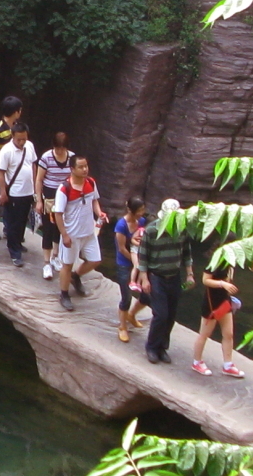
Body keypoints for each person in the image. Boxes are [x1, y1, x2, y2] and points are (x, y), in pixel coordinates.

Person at [137, 198, 195, 365]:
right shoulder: (152, 230)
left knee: (171, 315)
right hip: (157, 276)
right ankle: (151, 347)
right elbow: (143, 255)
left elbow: (186, 253)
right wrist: (144, 278)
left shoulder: (182, 229)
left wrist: (189, 274)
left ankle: (163, 347)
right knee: (160, 314)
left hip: (174, 276)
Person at [55, 153, 105, 309]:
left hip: (89, 231)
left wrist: (99, 213)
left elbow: (94, 200)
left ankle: (75, 277)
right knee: (67, 264)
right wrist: (64, 235)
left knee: (95, 260)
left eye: (86, 166)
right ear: (72, 169)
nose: (85, 169)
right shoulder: (64, 189)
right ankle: (64, 294)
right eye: (81, 167)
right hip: (72, 233)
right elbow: (58, 213)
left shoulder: (91, 182)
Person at [0, 120, 38, 269]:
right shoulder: (6, 151)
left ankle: (18, 242)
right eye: (19, 139)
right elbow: (1, 173)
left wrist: (35, 188)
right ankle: (14, 252)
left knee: (23, 220)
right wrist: (3, 192)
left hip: (28, 191)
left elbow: (33, 165)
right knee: (13, 223)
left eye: (24, 139)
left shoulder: (29, 146)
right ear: (12, 136)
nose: (22, 142)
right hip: (14, 193)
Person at [32, 132, 75, 280]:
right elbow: (39, 180)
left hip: (65, 198)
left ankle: (55, 256)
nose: (60, 152)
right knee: (48, 229)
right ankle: (46, 263)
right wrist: (39, 200)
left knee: (60, 228)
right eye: (57, 149)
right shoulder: (46, 158)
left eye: (62, 149)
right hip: (49, 198)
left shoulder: (72, 158)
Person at [190, 265, 242, 376]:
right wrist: (222, 284)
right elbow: (205, 280)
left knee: (228, 334)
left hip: (224, 301)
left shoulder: (231, 263)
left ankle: (228, 365)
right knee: (204, 334)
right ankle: (197, 362)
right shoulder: (214, 261)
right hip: (211, 303)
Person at [113, 197, 147, 342]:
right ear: (131, 210)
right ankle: (122, 326)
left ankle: (132, 314)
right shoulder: (121, 226)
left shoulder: (142, 222)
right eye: (139, 211)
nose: (141, 213)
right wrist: (134, 262)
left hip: (140, 263)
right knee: (126, 296)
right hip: (124, 264)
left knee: (147, 294)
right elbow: (121, 248)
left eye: (142, 210)